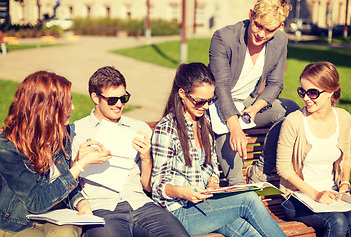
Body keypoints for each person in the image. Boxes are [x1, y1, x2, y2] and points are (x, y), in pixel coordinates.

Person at [151, 62, 286, 236]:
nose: (206, 107)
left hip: (204, 206)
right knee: (248, 199)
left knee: (248, 232)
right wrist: (183, 192)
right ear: (182, 94)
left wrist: (213, 181)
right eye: (199, 102)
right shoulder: (167, 128)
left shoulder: (203, 122)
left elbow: (212, 162)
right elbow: (157, 185)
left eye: (210, 100)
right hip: (178, 213)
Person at [70, 66, 190, 237]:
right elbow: (65, 183)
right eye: (112, 100)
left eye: (123, 98)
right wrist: (78, 161)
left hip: (140, 205)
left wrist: (146, 158)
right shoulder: (76, 131)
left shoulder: (138, 128)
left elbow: (148, 187)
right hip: (101, 208)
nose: (119, 104)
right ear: (95, 98)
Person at [0, 71, 111, 237]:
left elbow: (62, 176)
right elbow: (35, 202)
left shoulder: (59, 131)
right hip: (19, 221)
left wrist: (80, 202)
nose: (72, 108)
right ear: (44, 107)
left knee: (66, 233)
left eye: (71, 100)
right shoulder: (7, 147)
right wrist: (80, 165)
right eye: (65, 103)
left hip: (55, 213)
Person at [208, 0, 300, 185]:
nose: (261, 34)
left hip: (247, 105)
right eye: (258, 25)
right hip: (218, 105)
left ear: (280, 27)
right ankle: (239, 188)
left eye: (269, 30)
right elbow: (221, 86)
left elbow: (275, 84)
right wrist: (234, 127)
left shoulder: (280, 41)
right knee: (235, 175)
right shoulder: (224, 38)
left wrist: (255, 108)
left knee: (290, 109)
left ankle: (259, 169)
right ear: (251, 15)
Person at [276, 62, 351, 236]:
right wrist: (315, 194)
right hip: (297, 197)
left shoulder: (344, 118)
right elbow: (283, 167)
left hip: (333, 194)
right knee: (336, 222)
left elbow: (346, 158)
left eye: (312, 92)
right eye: (302, 92)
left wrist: (344, 183)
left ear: (330, 92)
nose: (306, 98)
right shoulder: (294, 121)